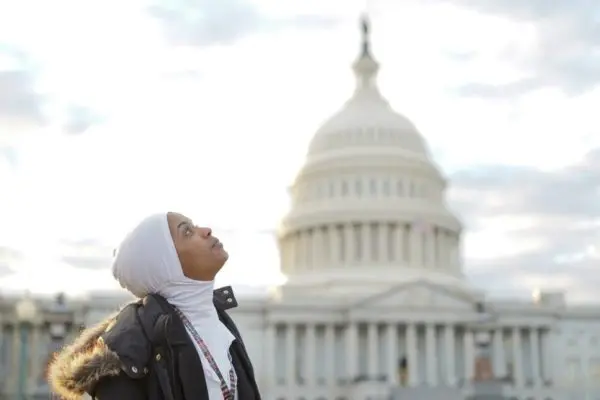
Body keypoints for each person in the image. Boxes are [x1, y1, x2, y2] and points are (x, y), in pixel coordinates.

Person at [48, 212, 261, 400]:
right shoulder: (127, 351)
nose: (206, 231)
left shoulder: (221, 322)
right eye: (187, 232)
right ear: (165, 265)